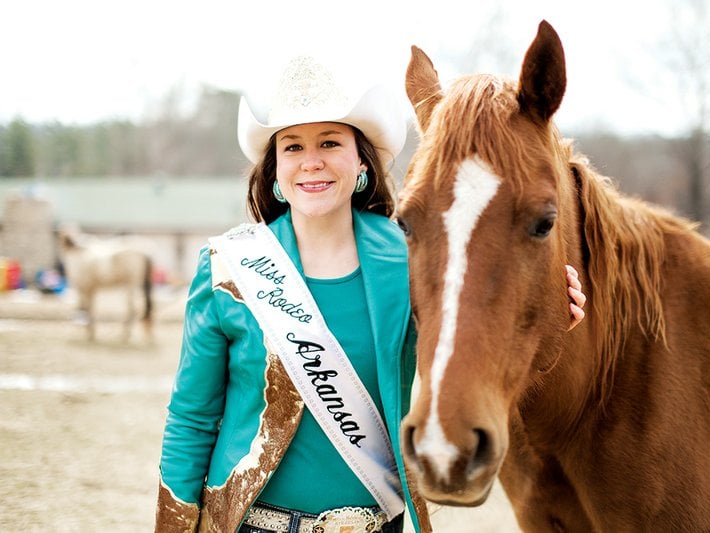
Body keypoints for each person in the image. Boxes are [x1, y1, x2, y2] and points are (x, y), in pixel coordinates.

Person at [154, 53, 586, 533]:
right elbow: (191, 422)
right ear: (275, 169)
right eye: (292, 147)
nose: (311, 161)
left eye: (330, 142)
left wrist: (547, 308)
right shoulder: (228, 267)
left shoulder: (412, 259)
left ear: (361, 160)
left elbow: (474, 325)